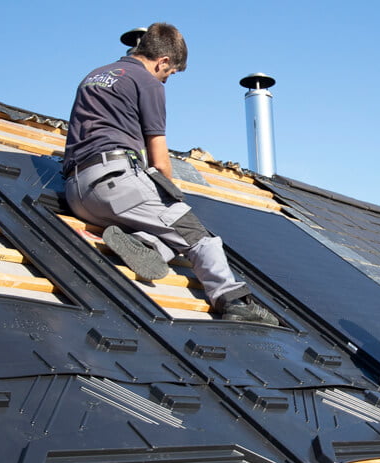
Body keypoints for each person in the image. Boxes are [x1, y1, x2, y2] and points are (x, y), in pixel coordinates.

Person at [62, 22, 278, 325]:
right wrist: (173, 196)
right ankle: (233, 301)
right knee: (197, 235)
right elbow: (159, 158)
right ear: (163, 61)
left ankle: (148, 245)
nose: (167, 80)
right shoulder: (147, 83)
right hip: (117, 184)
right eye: (170, 73)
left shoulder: (94, 75)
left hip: (77, 192)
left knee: (160, 224)